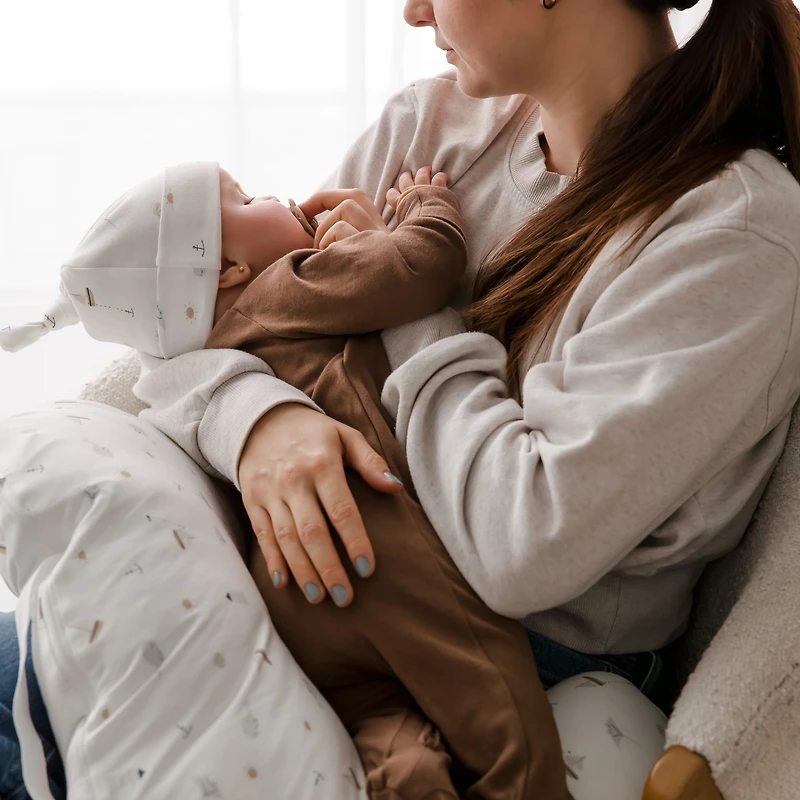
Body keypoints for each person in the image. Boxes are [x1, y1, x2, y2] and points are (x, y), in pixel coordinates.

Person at [3, 0, 800, 795]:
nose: (414, 13)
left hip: (499, 651)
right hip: (306, 577)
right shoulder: (432, 124)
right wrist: (256, 422)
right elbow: (224, 320)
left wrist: (410, 299)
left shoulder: (732, 234)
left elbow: (523, 549)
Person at [1, 158, 569, 798]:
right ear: (225, 271)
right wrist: (423, 208)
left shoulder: (206, 358)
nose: (275, 194)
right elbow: (418, 269)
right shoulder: (286, 288)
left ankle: (407, 778)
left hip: (288, 580)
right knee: (495, 697)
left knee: (384, 724)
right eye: (246, 197)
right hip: (365, 542)